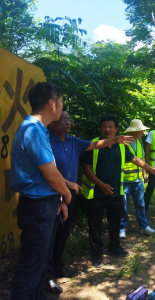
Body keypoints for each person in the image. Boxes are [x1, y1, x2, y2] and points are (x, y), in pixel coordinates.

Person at [45, 111, 134, 294]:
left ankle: (57, 268)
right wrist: (69, 183)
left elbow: (96, 145)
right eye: (64, 120)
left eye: (70, 119)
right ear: (52, 123)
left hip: (68, 196)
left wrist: (116, 141)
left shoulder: (73, 142)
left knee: (62, 233)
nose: (68, 122)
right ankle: (47, 277)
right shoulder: (45, 141)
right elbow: (48, 170)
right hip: (50, 196)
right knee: (49, 237)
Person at [10, 82, 71, 300]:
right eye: (61, 101)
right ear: (51, 103)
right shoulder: (33, 131)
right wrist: (67, 195)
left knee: (39, 264)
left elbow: (48, 174)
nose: (62, 106)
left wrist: (59, 200)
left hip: (44, 205)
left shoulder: (37, 130)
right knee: (31, 267)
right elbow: (52, 175)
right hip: (39, 207)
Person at [81, 115, 155, 268]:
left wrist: (149, 168)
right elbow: (86, 169)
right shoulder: (93, 145)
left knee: (115, 222)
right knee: (95, 224)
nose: (107, 129)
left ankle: (114, 247)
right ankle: (97, 254)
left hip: (116, 192)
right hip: (96, 193)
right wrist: (101, 184)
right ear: (100, 128)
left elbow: (135, 159)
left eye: (111, 126)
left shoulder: (122, 145)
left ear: (116, 129)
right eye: (104, 126)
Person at [120, 119, 155, 238]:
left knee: (140, 204)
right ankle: (122, 227)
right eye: (141, 130)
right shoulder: (124, 142)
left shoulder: (139, 142)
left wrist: (144, 173)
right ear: (136, 131)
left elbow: (141, 159)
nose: (143, 132)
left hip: (137, 179)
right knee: (123, 205)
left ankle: (143, 226)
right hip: (125, 180)